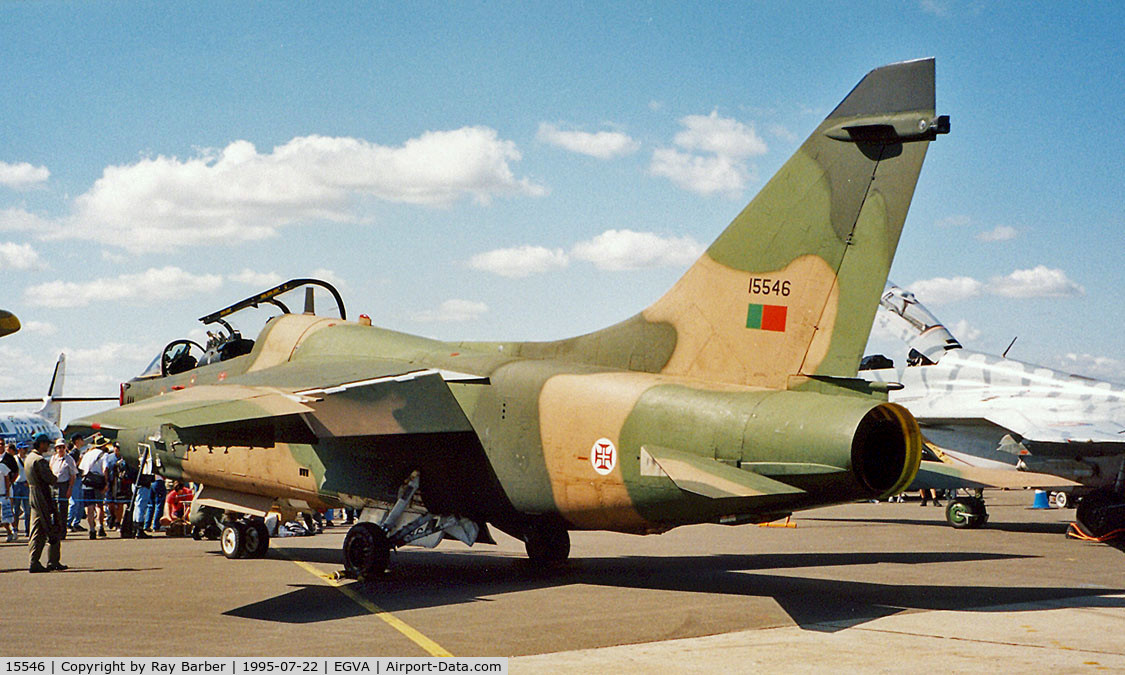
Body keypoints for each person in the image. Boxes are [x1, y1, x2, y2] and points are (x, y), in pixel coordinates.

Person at [25, 434, 66, 572]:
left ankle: (35, 560)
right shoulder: (40, 460)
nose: (48, 447)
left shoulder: (29, 458)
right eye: (46, 444)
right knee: (52, 528)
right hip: (42, 496)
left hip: (33, 495)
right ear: (40, 444)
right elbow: (50, 479)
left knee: (36, 529)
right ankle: (51, 561)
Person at [77, 436, 111, 539]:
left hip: (87, 482)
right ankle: (100, 527)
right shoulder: (104, 455)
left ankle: (92, 529)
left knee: (89, 507)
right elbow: (105, 470)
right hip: (98, 482)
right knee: (99, 505)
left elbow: (81, 468)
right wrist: (106, 483)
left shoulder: (87, 454)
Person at [50, 438, 78, 535]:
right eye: (58, 447)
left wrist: (70, 489)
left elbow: (73, 475)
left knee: (62, 508)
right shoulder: (53, 458)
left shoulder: (69, 459)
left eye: (62, 447)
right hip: (54, 485)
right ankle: (55, 529)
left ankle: (62, 531)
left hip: (64, 485)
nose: (60, 449)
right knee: (54, 508)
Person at [66, 434, 88, 531]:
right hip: (75, 479)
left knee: (79, 502)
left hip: (78, 478)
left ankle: (75, 522)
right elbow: (72, 466)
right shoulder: (74, 453)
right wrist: (80, 462)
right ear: (78, 441)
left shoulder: (77, 452)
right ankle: (69, 522)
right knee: (75, 502)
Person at [12, 443, 29, 537]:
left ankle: (27, 529)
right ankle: (15, 529)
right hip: (17, 484)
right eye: (23, 449)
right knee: (16, 509)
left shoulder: (27, 459)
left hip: (25, 484)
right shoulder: (14, 459)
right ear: (19, 449)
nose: (25, 450)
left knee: (27, 509)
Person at [0, 444, 14, 542]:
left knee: (5, 517)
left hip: (2, 494)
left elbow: (7, 479)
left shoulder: (2, 466)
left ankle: (9, 532)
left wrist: (7, 492)